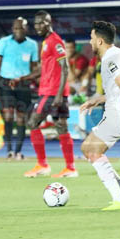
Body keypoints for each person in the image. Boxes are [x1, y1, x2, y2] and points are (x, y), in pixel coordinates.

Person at [78, 21, 120, 210]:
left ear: (100, 41)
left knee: (92, 151)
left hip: (119, 114)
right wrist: (98, 99)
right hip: (117, 111)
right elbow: (119, 89)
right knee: (87, 148)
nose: (90, 42)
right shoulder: (117, 54)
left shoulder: (110, 59)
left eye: (92, 38)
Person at [23, 11, 76, 178]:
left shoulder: (55, 41)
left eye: (41, 23)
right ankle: (70, 168)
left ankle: (42, 165)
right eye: (36, 24)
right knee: (61, 127)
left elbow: (65, 67)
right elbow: (44, 68)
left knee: (32, 122)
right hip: (52, 91)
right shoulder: (46, 42)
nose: (38, 26)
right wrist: (25, 78)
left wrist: (59, 95)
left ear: (49, 22)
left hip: (52, 92)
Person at [0, 18, 39, 161]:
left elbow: (34, 67)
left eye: (22, 28)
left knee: (21, 117)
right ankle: (9, 150)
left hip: (23, 84)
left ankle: (18, 151)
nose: (19, 31)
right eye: (16, 28)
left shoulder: (32, 45)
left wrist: (36, 82)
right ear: (12, 29)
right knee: (8, 116)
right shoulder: (3, 42)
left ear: (26, 29)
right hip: (6, 83)